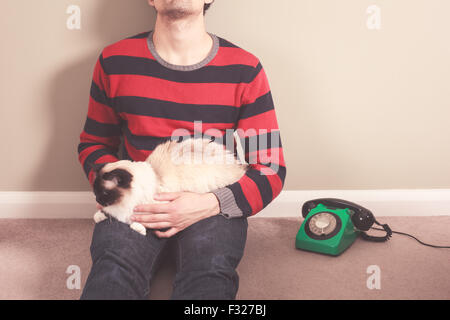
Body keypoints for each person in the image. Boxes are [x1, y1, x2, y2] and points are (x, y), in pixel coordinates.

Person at [77, 0, 286, 300]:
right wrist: (116, 188)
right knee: (113, 268)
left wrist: (212, 203)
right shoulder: (114, 61)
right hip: (139, 201)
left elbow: (271, 167)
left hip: (209, 204)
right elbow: (95, 142)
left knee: (209, 273)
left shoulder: (245, 69)